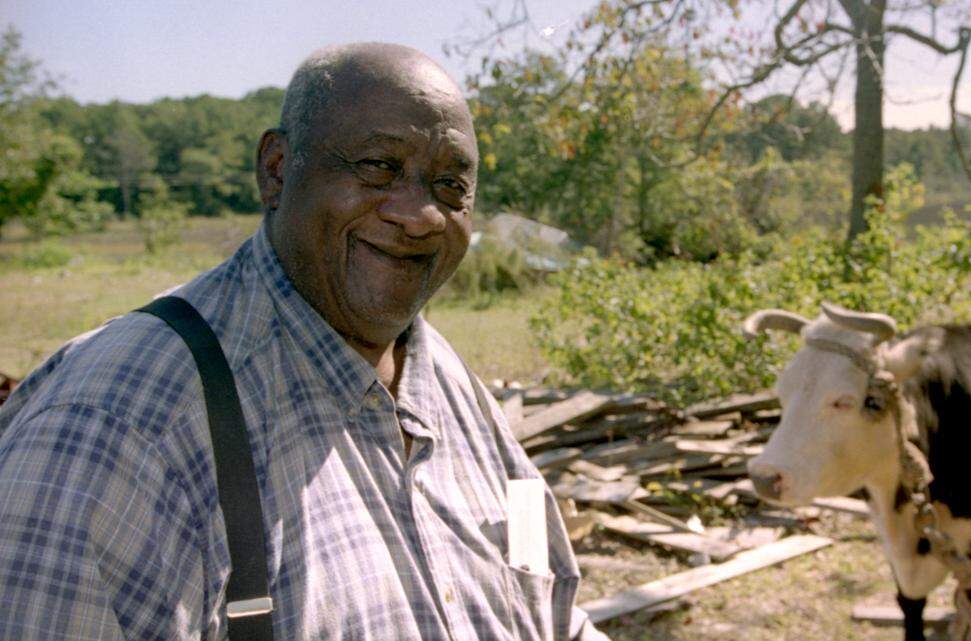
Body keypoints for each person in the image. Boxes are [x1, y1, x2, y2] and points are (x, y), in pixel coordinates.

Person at [0, 43, 607, 641]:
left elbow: (547, 597)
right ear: (277, 168)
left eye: (451, 184)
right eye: (378, 166)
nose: (420, 213)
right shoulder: (116, 425)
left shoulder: (452, 387)